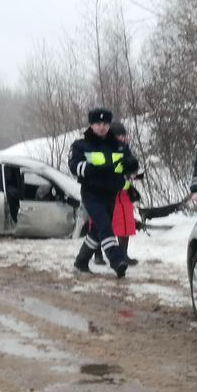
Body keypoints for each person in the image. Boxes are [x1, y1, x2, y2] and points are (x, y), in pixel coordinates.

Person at [68, 108, 139, 278]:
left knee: (97, 230)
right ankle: (116, 260)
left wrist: (130, 164)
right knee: (105, 226)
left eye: (105, 124)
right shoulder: (81, 145)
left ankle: (81, 261)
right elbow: (74, 167)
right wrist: (97, 169)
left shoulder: (118, 146)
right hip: (91, 193)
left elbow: (133, 167)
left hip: (111, 193)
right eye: (98, 123)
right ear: (91, 125)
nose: (102, 127)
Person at [91, 120, 140, 266]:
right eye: (120, 136)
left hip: (122, 193)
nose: (124, 138)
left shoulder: (126, 150)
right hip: (103, 193)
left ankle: (123, 254)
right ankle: (98, 254)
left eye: (124, 135)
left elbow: (133, 167)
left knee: (125, 224)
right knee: (100, 224)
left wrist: (134, 173)